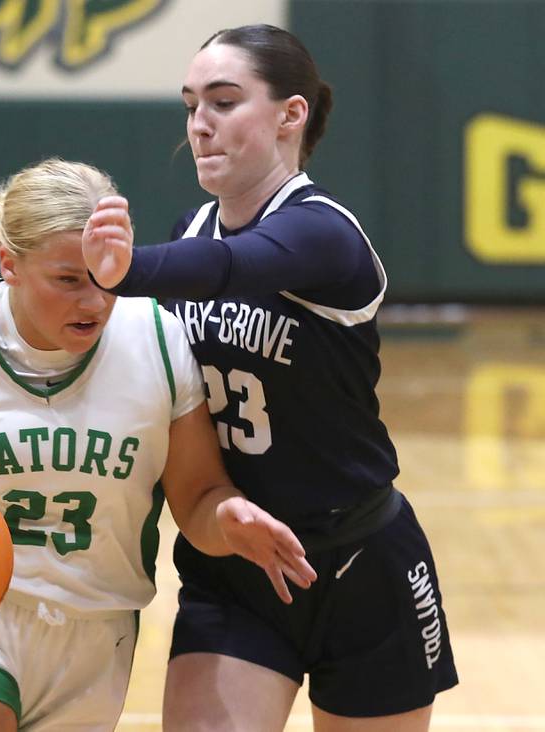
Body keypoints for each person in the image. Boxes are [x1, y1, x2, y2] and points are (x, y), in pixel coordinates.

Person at [0, 158, 316, 732]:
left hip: (95, 631)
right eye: (68, 280)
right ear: (10, 265)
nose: (93, 301)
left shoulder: (158, 343)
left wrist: (228, 518)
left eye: (108, 276)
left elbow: (197, 499)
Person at [83, 24, 458, 732]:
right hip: (235, 565)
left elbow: (235, 267)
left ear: (292, 114)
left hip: (360, 562)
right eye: (191, 105)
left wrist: (123, 269)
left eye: (224, 103)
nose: (200, 125)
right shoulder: (189, 232)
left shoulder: (324, 234)